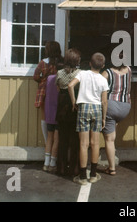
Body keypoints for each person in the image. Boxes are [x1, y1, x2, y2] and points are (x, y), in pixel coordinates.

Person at [68, 53, 109, 185]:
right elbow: (104, 102)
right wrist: (103, 118)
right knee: (95, 143)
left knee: (83, 144)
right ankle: (93, 174)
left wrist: (74, 101)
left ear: (90, 63)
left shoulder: (83, 74)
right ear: (103, 66)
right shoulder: (103, 80)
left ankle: (82, 177)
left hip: (83, 107)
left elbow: (70, 86)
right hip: (97, 109)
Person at [101, 59, 132, 176]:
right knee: (112, 135)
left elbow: (99, 87)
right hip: (126, 107)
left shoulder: (107, 73)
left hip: (111, 106)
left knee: (109, 140)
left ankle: (112, 168)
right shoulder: (129, 70)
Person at [56, 48, 81, 177]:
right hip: (74, 104)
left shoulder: (59, 73)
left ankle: (60, 167)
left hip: (61, 105)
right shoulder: (80, 73)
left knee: (62, 139)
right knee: (75, 140)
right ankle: (74, 168)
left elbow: (58, 87)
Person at [33, 41, 63, 143]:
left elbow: (35, 76)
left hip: (45, 92)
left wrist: (43, 80)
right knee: (58, 116)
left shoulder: (43, 62)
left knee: (45, 117)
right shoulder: (62, 62)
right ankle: (57, 142)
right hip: (59, 91)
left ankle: (47, 143)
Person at [43, 73, 59, 173]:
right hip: (58, 112)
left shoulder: (49, 78)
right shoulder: (60, 78)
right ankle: (52, 163)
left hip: (49, 111)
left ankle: (46, 163)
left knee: (49, 138)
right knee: (56, 139)